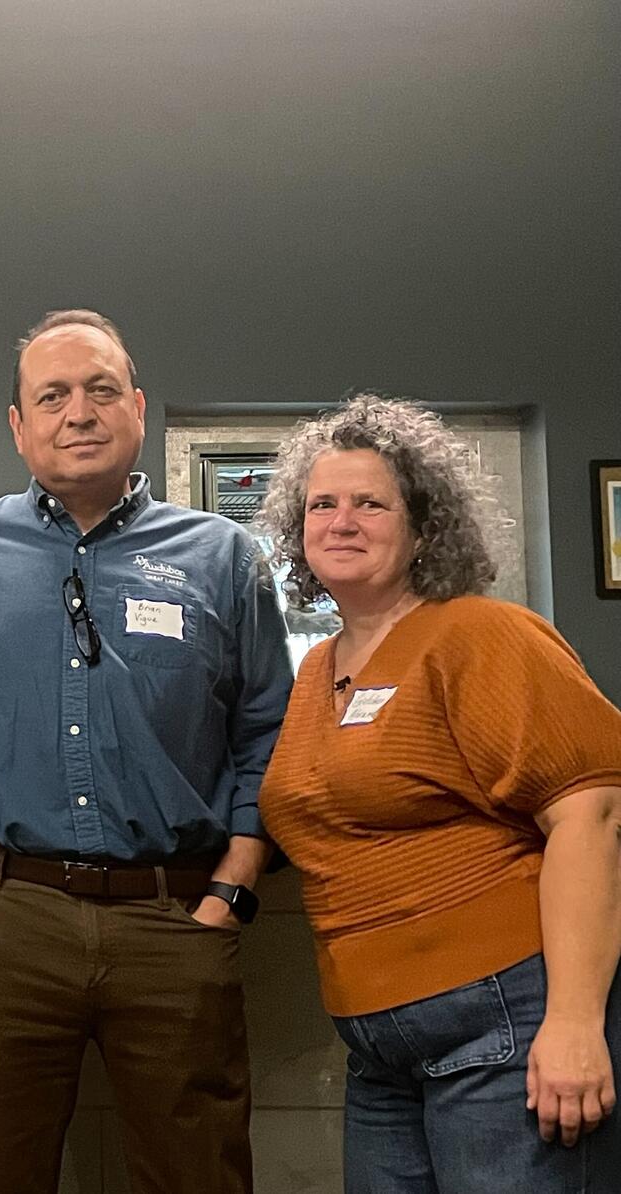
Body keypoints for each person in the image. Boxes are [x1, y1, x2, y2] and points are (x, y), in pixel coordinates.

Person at [0, 309, 293, 1194]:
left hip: (174, 916)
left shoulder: (222, 555)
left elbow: (269, 726)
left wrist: (234, 882)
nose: (78, 412)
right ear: (19, 425)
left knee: (197, 1173)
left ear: (138, 409)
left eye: (100, 389)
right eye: (53, 396)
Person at [255, 394, 621, 1192]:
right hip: (381, 1052)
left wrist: (574, 1024)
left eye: (370, 503)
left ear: (424, 527)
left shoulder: (480, 635)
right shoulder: (320, 669)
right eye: (322, 504)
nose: (341, 520)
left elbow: (593, 813)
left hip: (506, 1023)